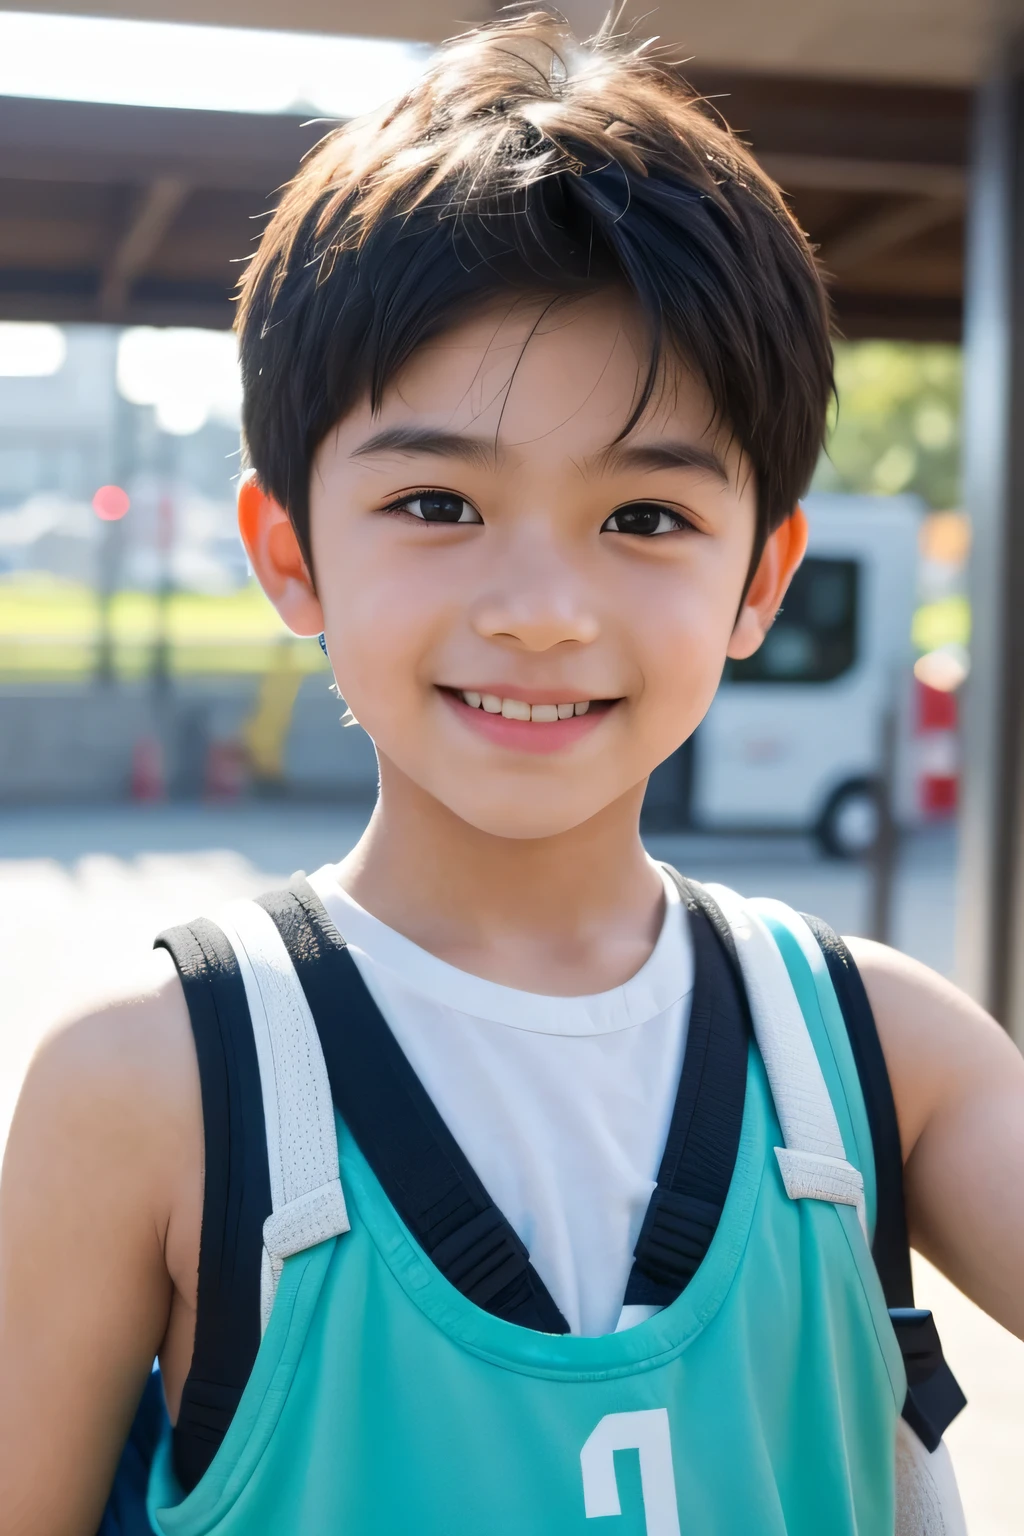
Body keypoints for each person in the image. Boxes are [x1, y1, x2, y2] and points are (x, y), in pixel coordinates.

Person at [2, 12, 1022, 1535]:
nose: (542, 608)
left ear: (761, 578)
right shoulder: (153, 1087)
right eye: (437, 500)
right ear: (290, 553)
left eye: (645, 519)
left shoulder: (884, 1057)